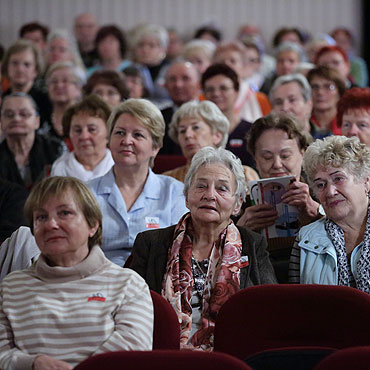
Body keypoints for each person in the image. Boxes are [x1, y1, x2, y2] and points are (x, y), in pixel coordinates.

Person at [130, 146, 277, 350]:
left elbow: (269, 310)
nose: (210, 195)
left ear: (238, 204)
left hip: (232, 355)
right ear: (187, 196)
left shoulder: (253, 244)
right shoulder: (151, 243)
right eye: (201, 186)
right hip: (164, 353)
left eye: (222, 188)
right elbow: (131, 309)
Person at [0, 176, 153, 369]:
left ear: (93, 225)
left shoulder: (129, 284)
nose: (51, 224)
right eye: (41, 217)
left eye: (64, 213)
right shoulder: (11, 287)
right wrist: (33, 363)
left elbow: (130, 354)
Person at [88, 98, 188, 266]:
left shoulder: (174, 192)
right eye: (119, 132)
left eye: (138, 135)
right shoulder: (85, 192)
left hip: (155, 282)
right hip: (98, 280)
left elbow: (181, 251)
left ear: (155, 147)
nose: (126, 141)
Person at [288, 135, 370, 293]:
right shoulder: (305, 238)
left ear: (366, 182)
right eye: (321, 184)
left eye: (338, 178)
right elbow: (297, 305)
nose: (330, 192)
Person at [237, 113, 319, 232]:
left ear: (303, 153)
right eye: (267, 157)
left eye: (285, 156)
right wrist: (240, 231)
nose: (277, 164)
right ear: (255, 159)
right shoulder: (240, 206)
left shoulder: (322, 194)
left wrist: (317, 212)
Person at [164, 100, 258, 184]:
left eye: (196, 127)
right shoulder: (168, 180)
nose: (188, 135)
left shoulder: (243, 175)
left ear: (217, 136)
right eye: (182, 131)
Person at [0, 93, 62, 191]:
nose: (16, 119)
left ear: (37, 121)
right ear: (1, 121)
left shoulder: (57, 150)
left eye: (24, 114)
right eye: (9, 115)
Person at [201, 63, 255, 167]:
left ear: (236, 92)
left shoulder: (252, 131)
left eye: (223, 88)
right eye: (210, 89)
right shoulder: (197, 132)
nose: (216, 94)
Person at [51, 95, 114, 181]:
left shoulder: (119, 165)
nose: (84, 136)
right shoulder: (60, 168)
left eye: (92, 129)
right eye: (77, 130)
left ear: (108, 133)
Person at [212, 41, 271, 122]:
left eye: (232, 61)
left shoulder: (260, 100)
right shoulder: (204, 98)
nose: (227, 65)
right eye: (222, 62)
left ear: (243, 65)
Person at [1, 39, 51, 126]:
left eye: (26, 64)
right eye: (15, 63)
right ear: (7, 67)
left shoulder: (47, 101)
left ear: (36, 70)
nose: (20, 69)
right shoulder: (2, 100)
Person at [161, 60, 201, 154]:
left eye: (185, 78)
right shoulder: (157, 118)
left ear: (199, 84)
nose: (178, 85)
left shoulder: (211, 116)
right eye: (172, 79)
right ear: (165, 85)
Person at [42, 61, 84, 146]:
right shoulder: (40, 117)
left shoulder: (87, 118)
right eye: (54, 81)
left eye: (65, 81)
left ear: (79, 88)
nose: (59, 85)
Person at [130, 24, 170, 104]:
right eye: (141, 45)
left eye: (151, 45)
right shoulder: (129, 71)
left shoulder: (171, 70)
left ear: (163, 49)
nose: (145, 50)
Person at [269, 73, 318, 138]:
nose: (285, 108)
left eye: (292, 100)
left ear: (309, 105)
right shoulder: (265, 143)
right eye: (279, 102)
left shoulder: (327, 141)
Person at [307, 65, 346, 136]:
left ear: (339, 92)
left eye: (328, 87)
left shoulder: (349, 124)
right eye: (314, 87)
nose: (320, 92)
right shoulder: (303, 124)